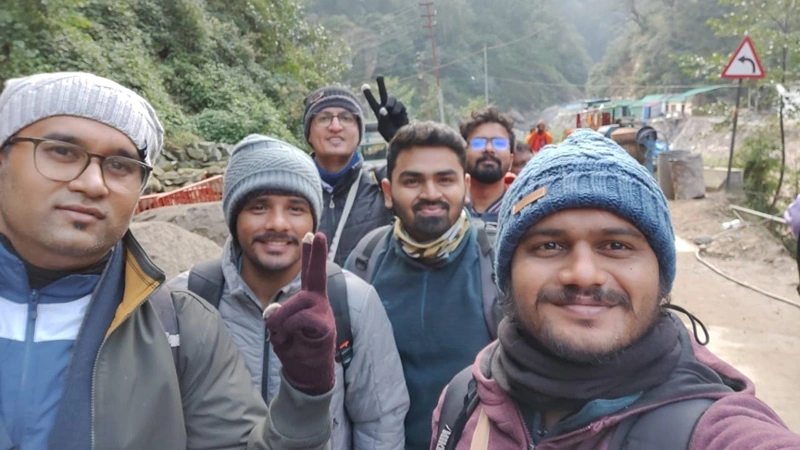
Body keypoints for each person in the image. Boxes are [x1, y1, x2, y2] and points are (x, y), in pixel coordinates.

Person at [0, 72, 336, 450]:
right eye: (61, 151)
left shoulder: (184, 328)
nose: (93, 183)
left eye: (120, 165)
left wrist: (306, 396)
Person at [431, 129, 800, 449]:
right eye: (549, 246)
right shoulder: (463, 401)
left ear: (660, 273)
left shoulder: (714, 428)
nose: (583, 274)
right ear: (507, 272)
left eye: (617, 246)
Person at [169, 134, 409, 450]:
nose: (278, 223)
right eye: (258, 207)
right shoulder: (187, 299)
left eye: (295, 208)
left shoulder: (352, 301)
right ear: (233, 216)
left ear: (314, 217)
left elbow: (380, 421)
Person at [344, 121, 501, 450]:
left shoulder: (500, 264)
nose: (431, 193)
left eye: (445, 179)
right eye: (413, 181)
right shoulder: (364, 261)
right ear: (388, 192)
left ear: (466, 186)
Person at [303, 86, 393, 265]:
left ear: (359, 131)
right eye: (324, 118)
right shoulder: (291, 193)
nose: (335, 127)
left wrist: (403, 142)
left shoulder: (383, 187)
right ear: (309, 134)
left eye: (346, 118)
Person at [460, 107, 516, 226]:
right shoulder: (445, 209)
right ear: (462, 154)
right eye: (478, 143)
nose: (489, 149)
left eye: (499, 143)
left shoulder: (523, 212)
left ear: (511, 160)